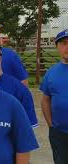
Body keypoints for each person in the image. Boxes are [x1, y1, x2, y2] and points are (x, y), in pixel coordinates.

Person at [40, 29, 68, 164]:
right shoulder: (51, 73)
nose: (67, 47)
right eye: (64, 43)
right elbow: (45, 100)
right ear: (57, 46)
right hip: (59, 133)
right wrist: (51, 125)